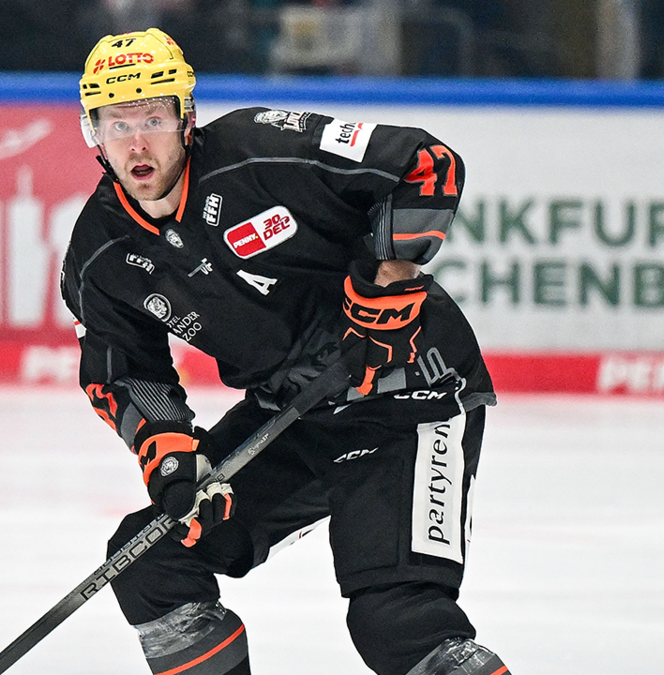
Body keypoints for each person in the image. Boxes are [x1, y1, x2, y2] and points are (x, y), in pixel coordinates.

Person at [59, 28, 509, 675]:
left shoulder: (260, 151)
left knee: (398, 621)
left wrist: (388, 281)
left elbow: (425, 164)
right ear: (91, 133)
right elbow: (125, 369)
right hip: (293, 414)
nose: (137, 141)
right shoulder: (100, 251)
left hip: (413, 395)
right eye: (116, 122)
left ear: (186, 117)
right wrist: (169, 455)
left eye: (154, 116)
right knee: (152, 559)